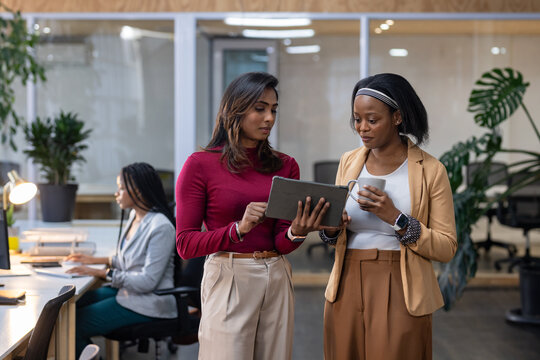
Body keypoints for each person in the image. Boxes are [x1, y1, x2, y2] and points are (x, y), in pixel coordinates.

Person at [176, 71, 329, 360]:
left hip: (277, 274)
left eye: (273, 109)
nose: (269, 118)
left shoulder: (286, 166)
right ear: (235, 109)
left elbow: (281, 242)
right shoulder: (200, 164)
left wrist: (297, 230)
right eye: (260, 108)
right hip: (228, 274)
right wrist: (238, 229)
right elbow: (185, 244)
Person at [319, 73, 457, 360]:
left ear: (397, 117)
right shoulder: (349, 161)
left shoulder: (431, 170)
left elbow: (446, 247)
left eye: (372, 119)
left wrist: (396, 218)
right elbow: (333, 236)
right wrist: (331, 229)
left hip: (402, 283)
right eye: (357, 119)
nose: (362, 128)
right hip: (346, 279)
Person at [66, 162, 177, 357]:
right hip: (130, 293)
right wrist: (93, 260)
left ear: (139, 192)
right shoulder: (136, 216)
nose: (116, 193)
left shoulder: (161, 227)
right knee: (72, 306)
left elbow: (147, 281)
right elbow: (130, 260)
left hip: (149, 302)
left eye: (121, 188)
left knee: (74, 325)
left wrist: (102, 272)